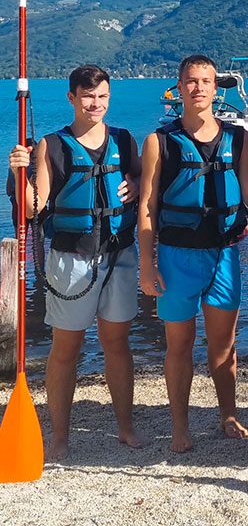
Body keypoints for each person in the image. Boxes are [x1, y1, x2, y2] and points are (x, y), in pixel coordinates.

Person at [138, 54, 248, 453]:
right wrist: (148, 263)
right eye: (191, 81)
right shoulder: (158, 141)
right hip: (178, 257)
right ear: (179, 88)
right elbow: (147, 205)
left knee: (223, 345)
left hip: (224, 255)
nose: (198, 88)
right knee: (178, 345)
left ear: (217, 89)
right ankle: (180, 426)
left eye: (206, 81)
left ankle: (227, 414)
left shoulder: (238, 138)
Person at [8, 64, 145, 461]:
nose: (95, 104)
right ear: (71, 98)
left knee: (117, 344)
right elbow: (35, 208)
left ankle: (125, 428)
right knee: (65, 348)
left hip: (119, 254)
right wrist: (20, 174)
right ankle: (61, 437)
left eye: (102, 96)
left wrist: (135, 185)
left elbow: (141, 186)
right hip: (71, 260)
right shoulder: (52, 145)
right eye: (87, 97)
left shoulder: (124, 140)